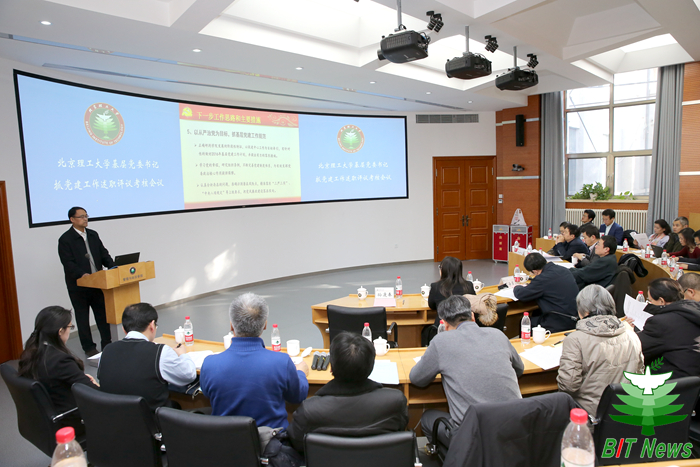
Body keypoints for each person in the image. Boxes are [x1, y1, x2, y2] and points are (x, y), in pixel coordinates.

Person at [410, 295, 523, 447]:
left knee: (428, 417)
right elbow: (519, 369)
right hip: (515, 429)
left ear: (445, 324)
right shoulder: (498, 335)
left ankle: (457, 457)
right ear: (472, 316)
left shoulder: (441, 341)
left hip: (474, 437)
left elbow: (417, 378)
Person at [200, 292, 309, 428]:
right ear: (265, 325)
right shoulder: (282, 362)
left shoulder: (209, 364)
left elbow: (206, 393)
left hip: (226, 439)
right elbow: (297, 396)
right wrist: (301, 373)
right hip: (273, 439)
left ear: (231, 326)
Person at [287, 332, 408, 453]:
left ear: (331, 367)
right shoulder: (396, 401)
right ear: (371, 367)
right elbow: (400, 430)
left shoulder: (309, 409)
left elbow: (296, 443)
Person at [556, 285, 644, 415]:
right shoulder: (632, 336)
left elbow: (568, 385)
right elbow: (639, 375)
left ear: (584, 311)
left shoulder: (575, 340)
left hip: (589, 413)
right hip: (627, 410)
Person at [97, 303, 197, 410]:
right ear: (152, 325)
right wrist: (182, 354)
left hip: (114, 416)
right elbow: (188, 375)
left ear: (124, 330)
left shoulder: (106, 351)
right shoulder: (160, 352)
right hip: (151, 417)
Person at [18, 306, 100, 435]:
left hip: (47, 418)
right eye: (70, 327)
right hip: (71, 421)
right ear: (60, 331)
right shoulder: (61, 361)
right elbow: (94, 393)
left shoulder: (29, 354)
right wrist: (95, 385)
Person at [58, 207, 115, 357]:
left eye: (86, 216)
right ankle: (89, 347)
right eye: (81, 216)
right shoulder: (65, 239)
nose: (85, 219)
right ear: (72, 219)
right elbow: (68, 263)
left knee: (102, 315)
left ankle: (107, 343)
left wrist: (112, 266)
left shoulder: (93, 234)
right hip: (79, 286)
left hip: (97, 283)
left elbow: (103, 253)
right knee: (82, 317)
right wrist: (82, 274)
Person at [635, 278, 700, 378]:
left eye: (650, 301)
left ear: (661, 301)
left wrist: (631, 331)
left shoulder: (661, 322)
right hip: (693, 378)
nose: (649, 304)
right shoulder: (694, 310)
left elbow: (636, 348)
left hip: (673, 380)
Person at [513, 253, 579, 332]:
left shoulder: (542, 279)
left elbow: (521, 294)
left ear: (535, 271)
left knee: (525, 322)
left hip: (558, 321)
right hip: (574, 318)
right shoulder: (564, 270)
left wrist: (517, 287)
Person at [428, 256, 475, 325]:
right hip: (465, 324)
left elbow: (432, 306)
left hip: (444, 325)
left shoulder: (435, 287)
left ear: (443, 270)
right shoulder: (468, 285)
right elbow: (473, 304)